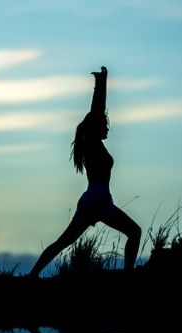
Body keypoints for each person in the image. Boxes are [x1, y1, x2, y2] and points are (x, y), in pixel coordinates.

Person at [29, 66, 141, 276]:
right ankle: (129, 274)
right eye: (105, 124)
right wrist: (102, 83)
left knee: (62, 243)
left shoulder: (93, 144)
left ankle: (32, 275)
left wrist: (101, 82)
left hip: (94, 199)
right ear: (96, 127)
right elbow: (98, 109)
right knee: (134, 232)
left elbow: (98, 112)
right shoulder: (92, 144)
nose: (108, 127)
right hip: (97, 199)